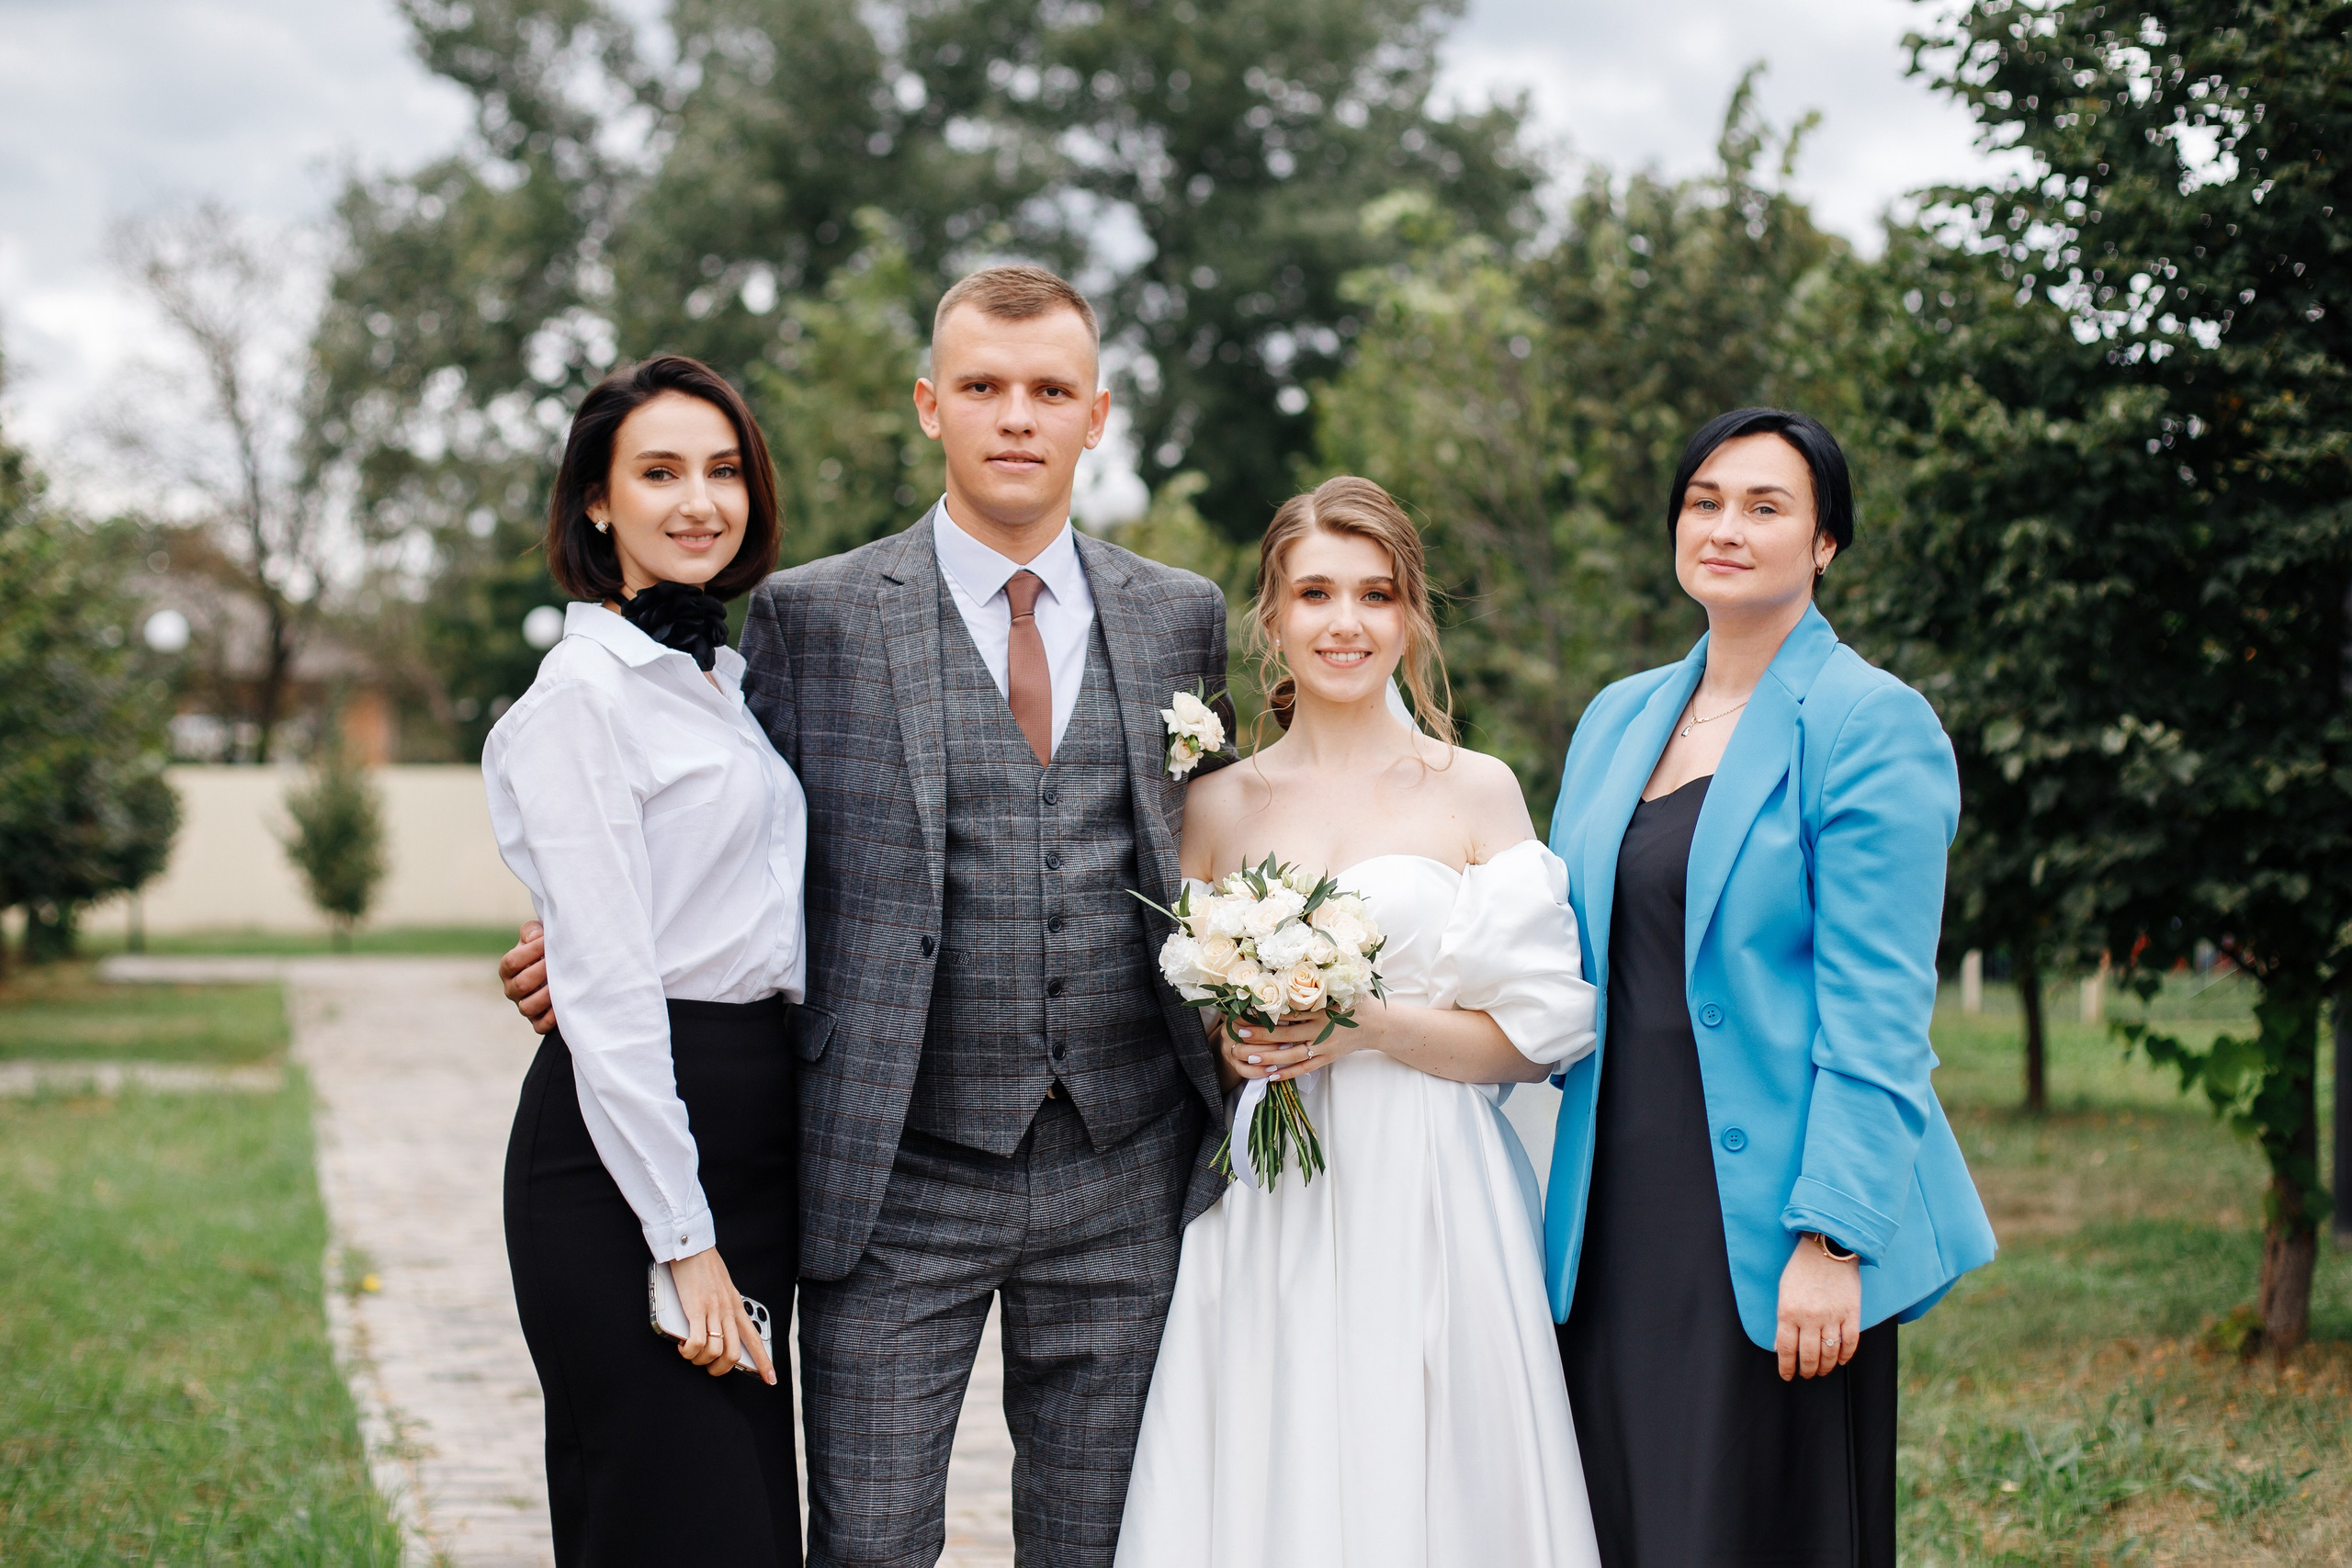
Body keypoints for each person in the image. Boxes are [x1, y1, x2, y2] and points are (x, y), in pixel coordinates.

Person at [501, 265, 1233, 1566]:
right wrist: (593, 947)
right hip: (892, 1168)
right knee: (868, 1542)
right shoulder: (810, 616)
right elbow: (744, 831)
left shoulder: (1181, 615)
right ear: (929, 404)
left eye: (1050, 389)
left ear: (1098, 413)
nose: (1018, 416)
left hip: (1124, 1159)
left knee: (1102, 1541)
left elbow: (1222, 839)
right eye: (983, 386)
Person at [1115, 476, 1603, 1567]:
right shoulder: (1215, 803)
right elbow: (1179, 1028)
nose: (1346, 623)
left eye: (1376, 595)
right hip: (1268, 1194)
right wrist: (1234, 1042)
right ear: (1272, 616)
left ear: (1411, 616)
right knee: (1273, 1450)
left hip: (1430, 1184)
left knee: (1427, 1463)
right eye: (1316, 594)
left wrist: (1370, 1027)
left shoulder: (1474, 790)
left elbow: (1531, 1040)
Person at [1543, 408, 1997, 1566]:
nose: (1725, 528)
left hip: (1769, 1221)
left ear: (1824, 542)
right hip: (1609, 1211)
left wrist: (1832, 1240)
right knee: (1614, 1522)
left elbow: (1878, 1017)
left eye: (1764, 506)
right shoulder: (1615, 717)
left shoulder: (1870, 724)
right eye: (1704, 502)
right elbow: (1552, 954)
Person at [484, 353, 806, 1563]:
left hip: (754, 1128)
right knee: (674, 1520)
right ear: (597, 501)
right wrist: (685, 1240)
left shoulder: (718, 683)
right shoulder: (583, 696)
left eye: (724, 471)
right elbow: (613, 993)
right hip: (628, 1155)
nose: (700, 501)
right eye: (660, 472)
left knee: (745, 1525)